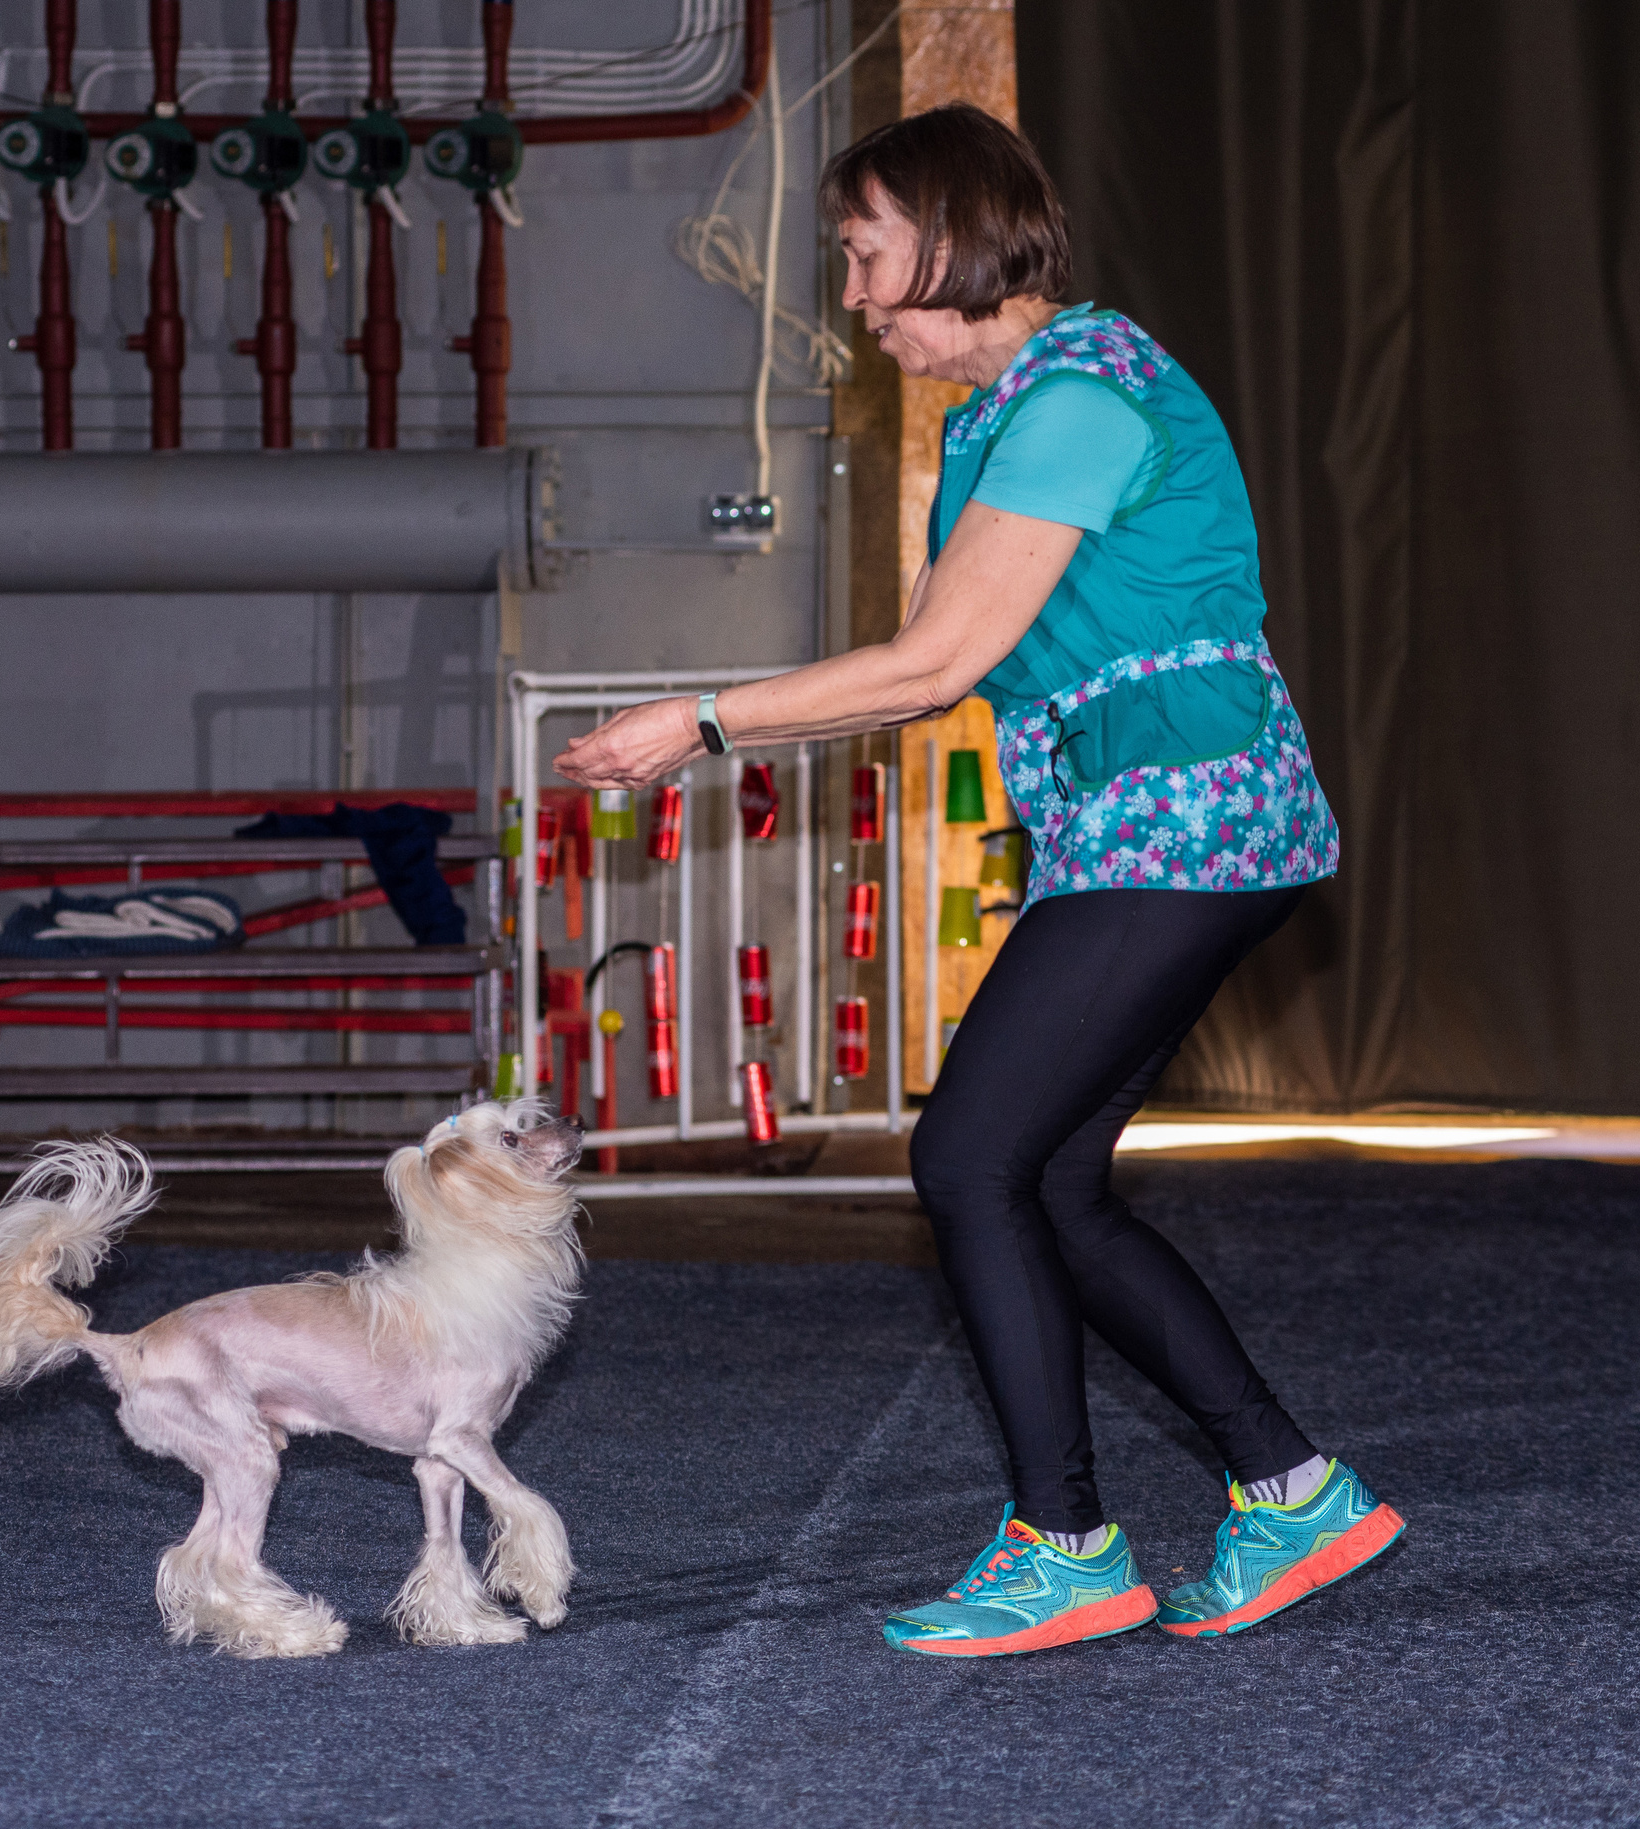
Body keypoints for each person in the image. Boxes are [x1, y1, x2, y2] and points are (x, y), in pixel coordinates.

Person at [555, 103, 1402, 1657]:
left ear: (949, 241)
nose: (855, 298)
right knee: (1046, 1182)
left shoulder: (1077, 396)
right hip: (1142, 828)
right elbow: (929, 667)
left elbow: (936, 663)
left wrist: (701, 721)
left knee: (966, 1158)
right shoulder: (1010, 413)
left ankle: (1067, 1541)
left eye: (865, 255)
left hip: (1187, 817)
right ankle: (1291, 1490)